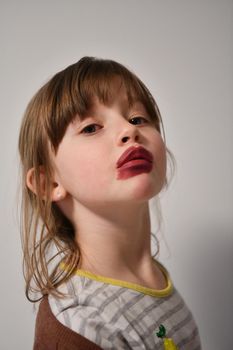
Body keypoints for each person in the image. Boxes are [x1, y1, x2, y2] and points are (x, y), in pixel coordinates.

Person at [18, 56, 201, 350]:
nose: (130, 131)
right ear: (49, 183)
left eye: (138, 118)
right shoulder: (78, 323)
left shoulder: (155, 279)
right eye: (91, 128)